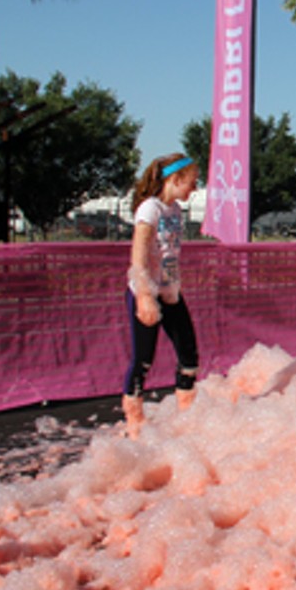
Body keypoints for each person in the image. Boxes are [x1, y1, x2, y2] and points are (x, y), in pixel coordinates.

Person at [122, 153, 201, 437]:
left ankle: (186, 418)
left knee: (189, 355)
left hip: (170, 292)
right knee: (143, 359)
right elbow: (139, 256)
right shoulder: (149, 209)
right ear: (175, 179)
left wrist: (173, 289)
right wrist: (144, 295)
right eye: (192, 182)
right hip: (147, 291)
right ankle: (134, 422)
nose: (194, 188)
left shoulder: (175, 212)